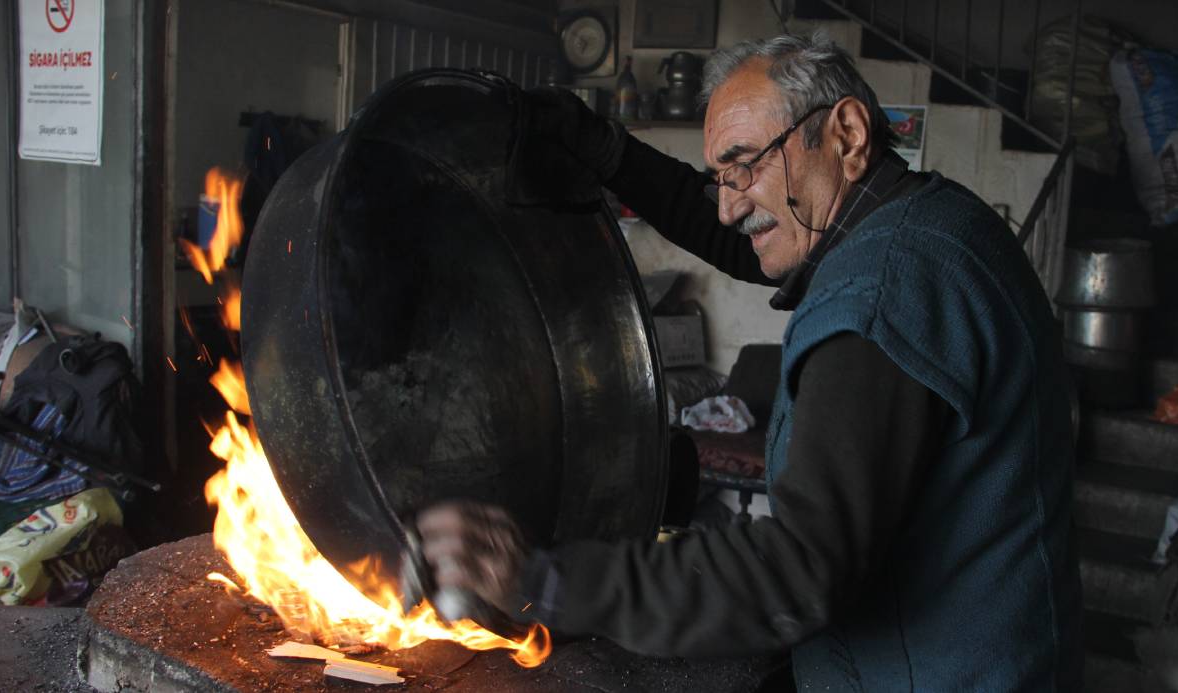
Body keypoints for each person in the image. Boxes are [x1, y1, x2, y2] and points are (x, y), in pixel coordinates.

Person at [417, 32, 1082, 690]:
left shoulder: (882, 293)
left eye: (746, 164)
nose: (730, 204)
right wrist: (608, 151)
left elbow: (799, 566)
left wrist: (547, 580)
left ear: (846, 134)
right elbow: (743, 239)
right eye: (720, 177)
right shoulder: (927, 223)